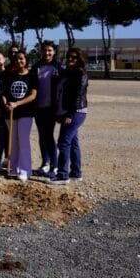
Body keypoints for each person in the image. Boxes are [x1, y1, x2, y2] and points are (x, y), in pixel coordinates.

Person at [48, 47, 89, 185]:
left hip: (76, 112)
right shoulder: (69, 72)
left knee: (63, 142)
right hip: (72, 111)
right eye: (69, 57)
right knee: (73, 142)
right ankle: (76, 173)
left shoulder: (80, 73)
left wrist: (70, 114)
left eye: (74, 57)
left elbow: (78, 95)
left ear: (79, 59)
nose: (70, 59)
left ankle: (62, 175)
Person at [2, 51, 39, 182]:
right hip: (11, 112)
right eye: (17, 59)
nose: (19, 61)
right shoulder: (10, 75)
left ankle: (25, 169)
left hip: (25, 113)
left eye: (21, 59)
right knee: (13, 141)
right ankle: (14, 167)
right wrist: (6, 103)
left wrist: (17, 103)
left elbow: (33, 95)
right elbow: (4, 92)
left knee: (23, 140)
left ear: (26, 60)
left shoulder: (32, 76)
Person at [31, 40, 64, 176]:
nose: (47, 53)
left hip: (51, 108)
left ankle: (54, 165)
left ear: (54, 52)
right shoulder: (36, 67)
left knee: (49, 136)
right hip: (39, 108)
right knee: (41, 135)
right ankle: (45, 162)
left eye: (49, 50)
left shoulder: (59, 67)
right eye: (44, 50)